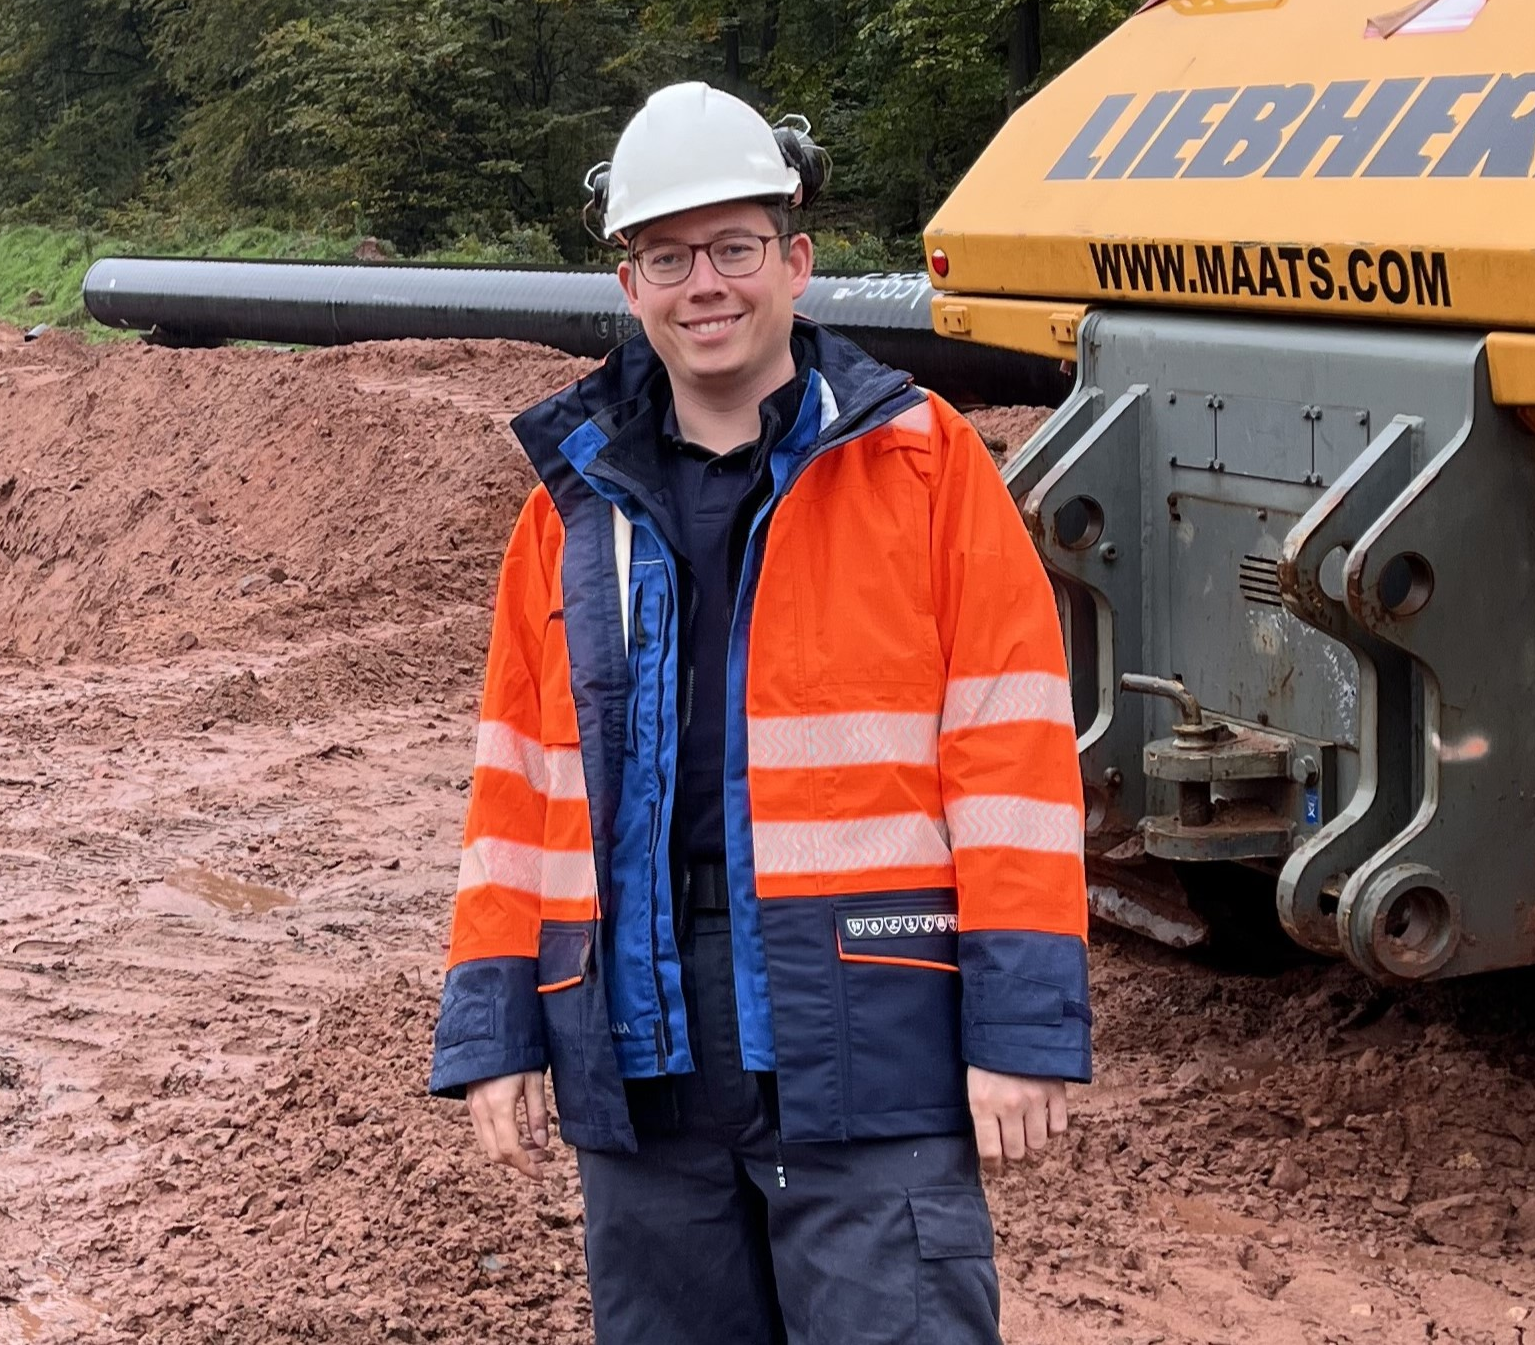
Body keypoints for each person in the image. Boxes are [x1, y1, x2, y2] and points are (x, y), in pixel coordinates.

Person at [428, 82, 1090, 1342]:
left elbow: (1014, 763)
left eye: (733, 249)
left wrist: (1021, 1025)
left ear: (795, 260)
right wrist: (497, 1025)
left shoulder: (928, 469)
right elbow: (516, 790)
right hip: (642, 1056)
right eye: (668, 258)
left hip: (868, 1051)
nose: (705, 286)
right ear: (630, 287)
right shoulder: (570, 512)